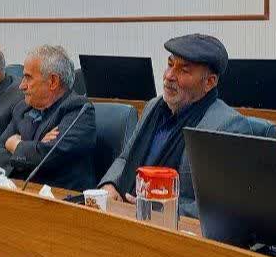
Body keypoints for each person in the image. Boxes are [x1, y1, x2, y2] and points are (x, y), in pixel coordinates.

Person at [98, 34, 250, 219]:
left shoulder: (226, 126)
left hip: (172, 227)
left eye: (183, 71)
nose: (169, 76)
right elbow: (126, 158)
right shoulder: (153, 107)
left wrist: (157, 209)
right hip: (126, 213)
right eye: (170, 65)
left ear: (209, 82)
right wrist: (110, 184)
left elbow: (220, 206)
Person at [0, 45, 96, 191]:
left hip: (61, 198)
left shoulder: (79, 110)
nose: (21, 86)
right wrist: (35, 147)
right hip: (21, 191)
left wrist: (15, 145)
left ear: (53, 82)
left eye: (28, 78)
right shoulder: (22, 109)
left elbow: (48, 157)